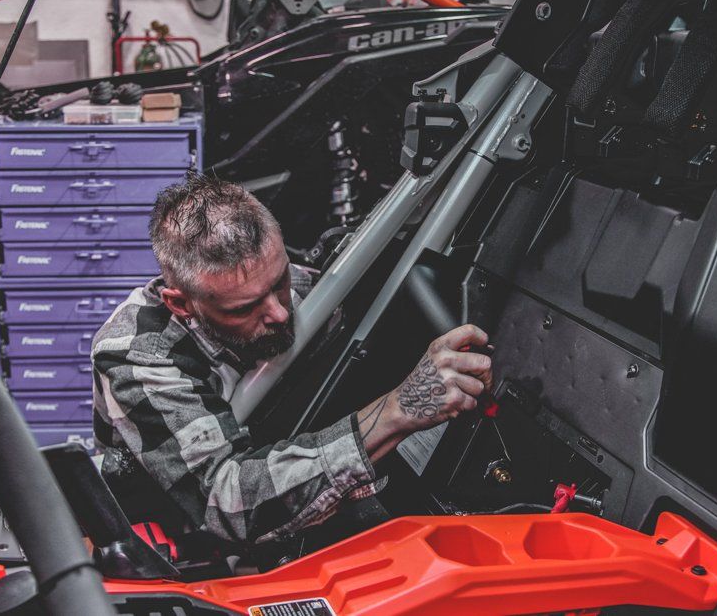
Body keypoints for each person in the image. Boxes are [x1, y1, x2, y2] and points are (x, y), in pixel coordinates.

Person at [91, 173, 492, 546]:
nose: (281, 313)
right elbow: (225, 500)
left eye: (278, 282)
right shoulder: (138, 357)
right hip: (182, 546)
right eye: (244, 308)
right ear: (181, 304)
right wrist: (396, 412)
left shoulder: (301, 290)